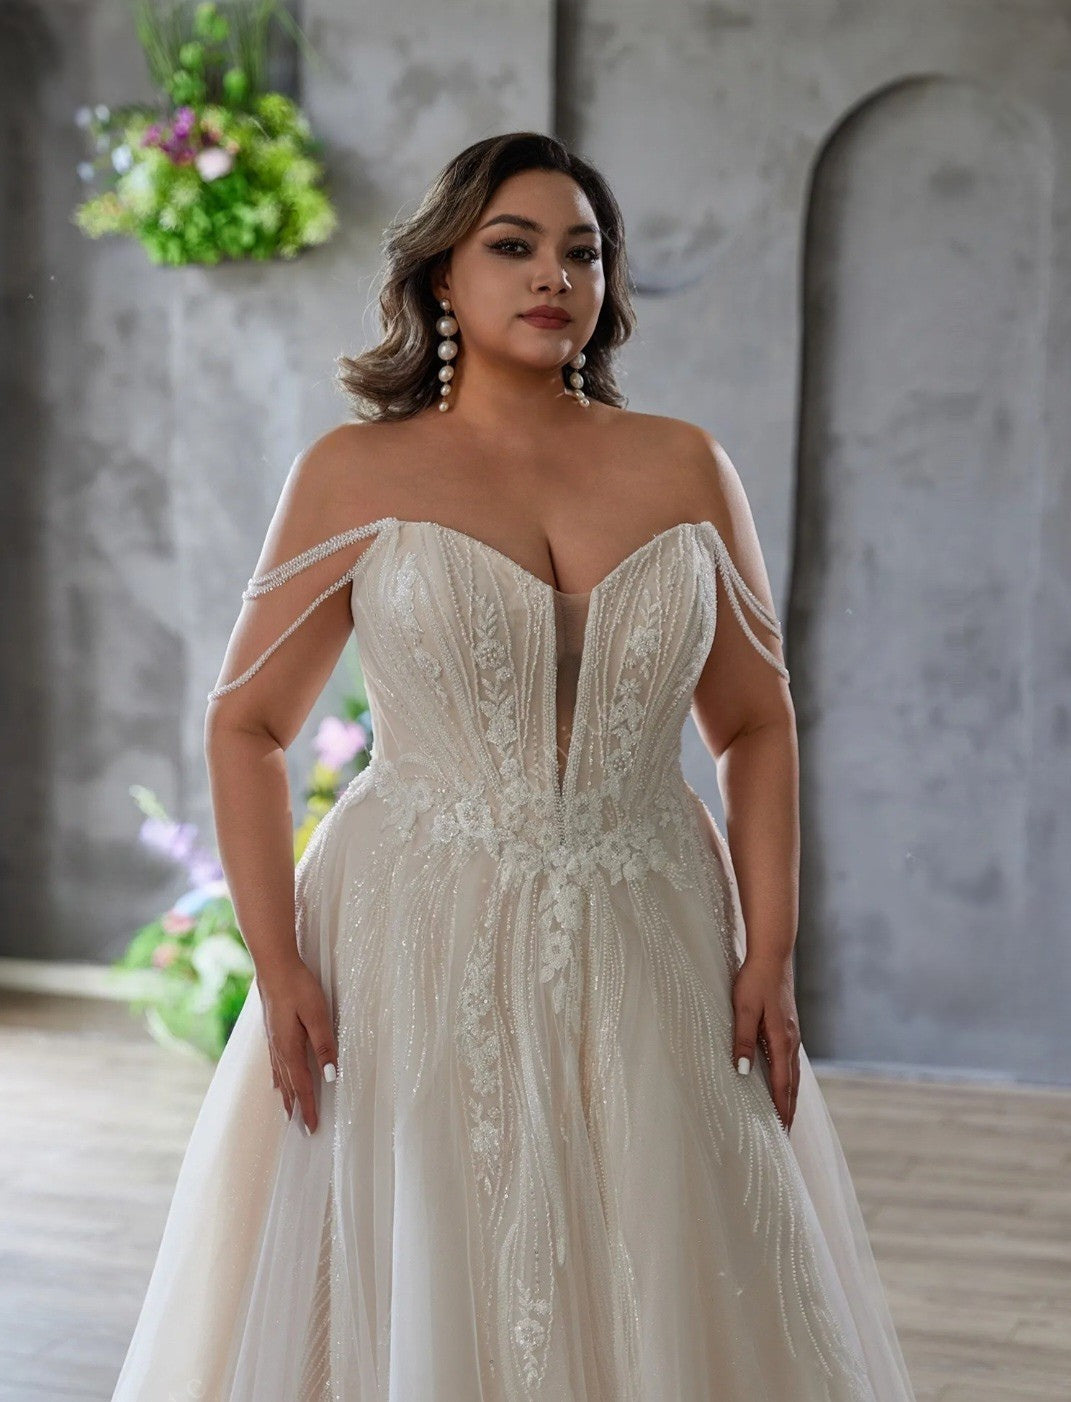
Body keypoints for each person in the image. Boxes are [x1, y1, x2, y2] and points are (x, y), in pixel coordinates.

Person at [110, 131, 916, 1400]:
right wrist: (279, 967)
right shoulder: (353, 471)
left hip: (650, 920)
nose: (557, 277)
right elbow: (246, 726)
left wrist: (771, 949)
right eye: (515, 246)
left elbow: (756, 722)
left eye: (582, 252)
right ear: (441, 276)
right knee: (434, 1239)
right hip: (413, 932)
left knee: (668, 1247)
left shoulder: (684, 465)